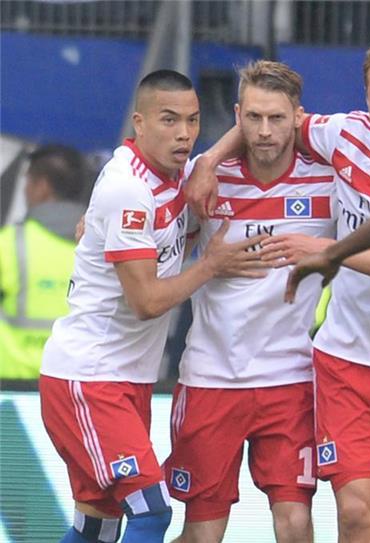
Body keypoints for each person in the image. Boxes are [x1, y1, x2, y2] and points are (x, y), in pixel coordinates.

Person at [186, 39, 370, 543]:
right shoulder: (344, 135)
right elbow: (269, 118)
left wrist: (329, 252)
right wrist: (208, 161)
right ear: (364, 93)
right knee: (354, 513)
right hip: (341, 359)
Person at [38, 70, 269, 543]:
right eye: (169, 120)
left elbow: (248, 127)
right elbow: (145, 302)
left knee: (98, 527)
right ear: (139, 123)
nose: (183, 133)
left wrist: (209, 162)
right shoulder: (128, 188)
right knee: (151, 513)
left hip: (126, 378)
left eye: (192, 120)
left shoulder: (179, 174)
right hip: (89, 377)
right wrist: (210, 265)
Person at [162, 60, 337, 543]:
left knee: (296, 524)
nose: (264, 131)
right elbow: (146, 223)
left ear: (298, 118)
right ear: (238, 115)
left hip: (290, 381)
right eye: (254, 117)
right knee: (202, 534)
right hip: (210, 379)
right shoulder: (205, 185)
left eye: (277, 118)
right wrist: (92, 224)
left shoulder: (327, 182)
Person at [0, 144, 88, 379]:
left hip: (9, 396)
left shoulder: (8, 244)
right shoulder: (99, 247)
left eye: (28, 182)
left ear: (42, 187)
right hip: (71, 391)